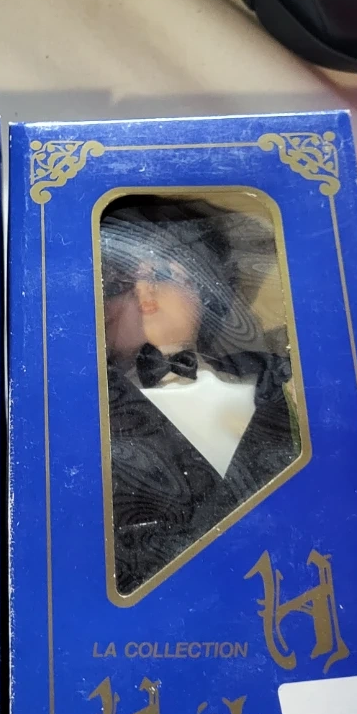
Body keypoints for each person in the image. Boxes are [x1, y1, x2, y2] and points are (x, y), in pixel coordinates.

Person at [100, 197, 299, 598]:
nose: (143, 292)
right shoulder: (87, 411)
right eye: (120, 284)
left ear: (207, 290)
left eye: (163, 273)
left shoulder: (271, 383)